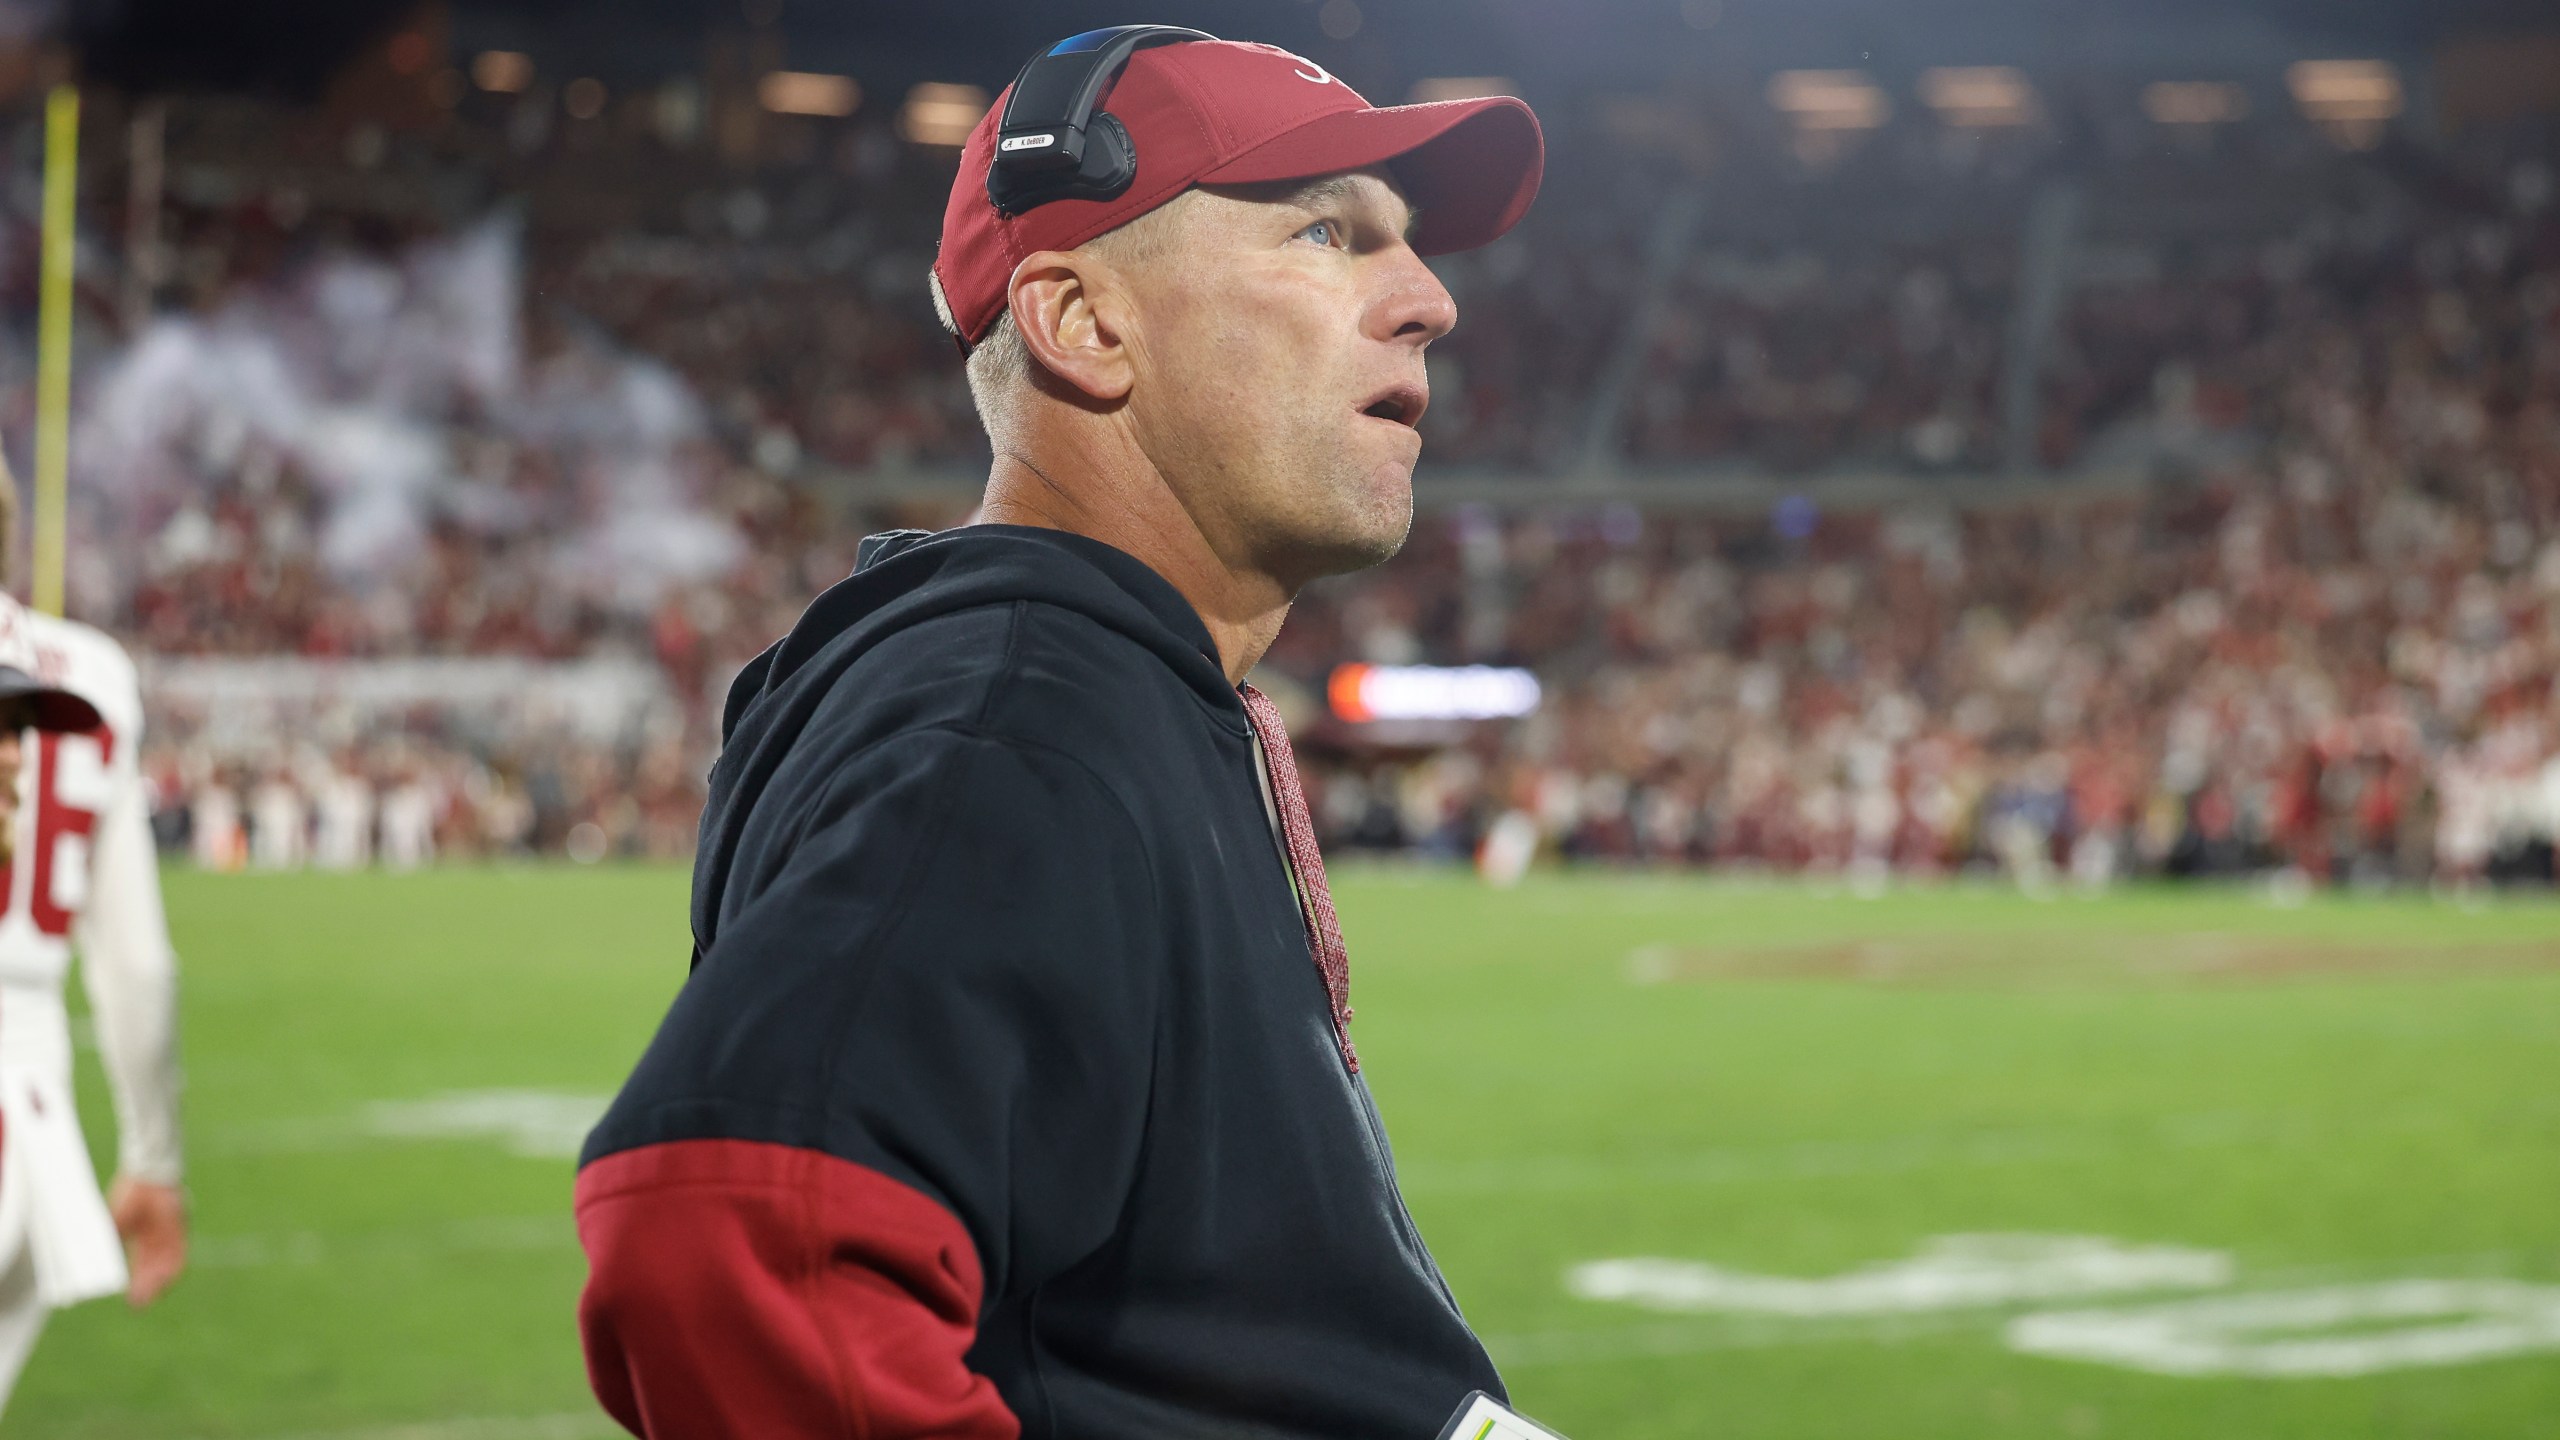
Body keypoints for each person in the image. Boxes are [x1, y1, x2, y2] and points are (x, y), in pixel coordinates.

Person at [576, 27, 1542, 1440]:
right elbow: (736, 1243)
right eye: (1329, 233)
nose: (1431, 300)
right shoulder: (1023, 714)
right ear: (1083, 324)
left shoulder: (1097, 687)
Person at [0, 586, 187, 1415]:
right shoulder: (94, 669)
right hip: (35, 1107)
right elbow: (138, 966)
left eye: (19, 732)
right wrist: (154, 1157)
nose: (18, 757)